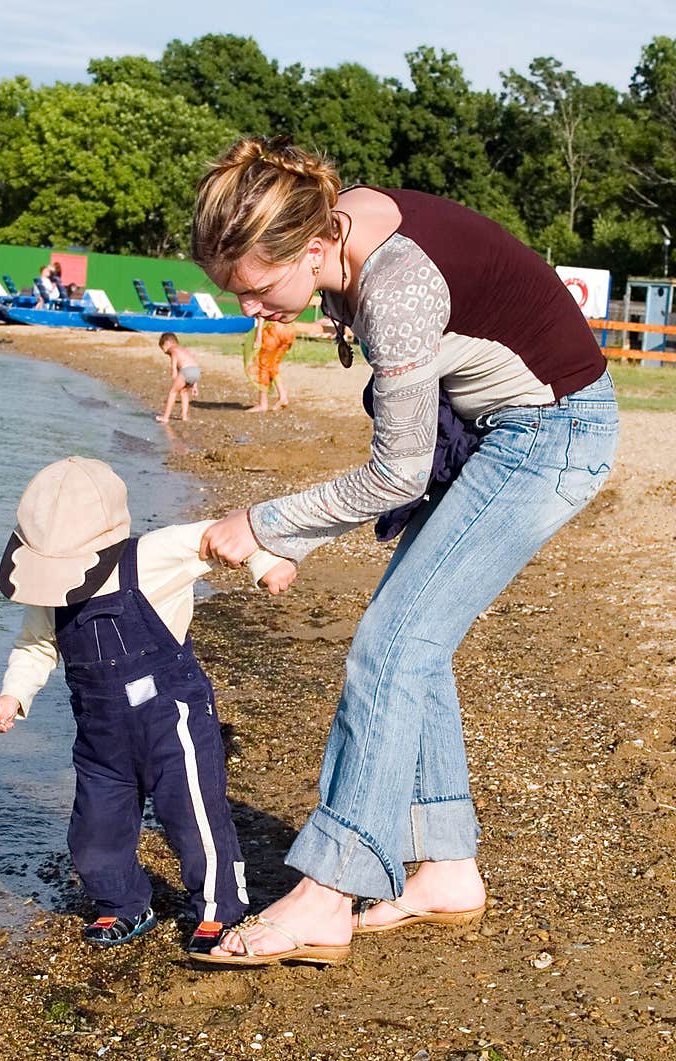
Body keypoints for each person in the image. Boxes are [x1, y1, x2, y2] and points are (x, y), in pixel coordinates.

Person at [189, 135, 619, 966]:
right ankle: (446, 866)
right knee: (413, 641)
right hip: (503, 430)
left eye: (256, 290)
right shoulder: (339, 230)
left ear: (316, 247)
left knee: (391, 647)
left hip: (553, 433)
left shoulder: (397, 286)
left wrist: (268, 524)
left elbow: (397, 472)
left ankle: (327, 892)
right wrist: (300, 541)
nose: (251, 311)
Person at [0, 456, 289, 954]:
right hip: (101, 735)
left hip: (173, 717)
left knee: (192, 815)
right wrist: (14, 694)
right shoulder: (46, 587)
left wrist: (265, 563)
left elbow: (220, 536)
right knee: (94, 829)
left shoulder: (151, 555)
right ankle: (122, 903)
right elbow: (37, 645)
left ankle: (219, 910)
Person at [244, 315, 297, 412]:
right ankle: (283, 397)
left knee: (263, 366)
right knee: (273, 364)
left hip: (274, 329)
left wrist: (258, 335)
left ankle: (262, 403)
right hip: (290, 329)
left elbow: (263, 313)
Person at [156, 332, 201, 423]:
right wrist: (195, 385)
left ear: (168, 343)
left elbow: (174, 363)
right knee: (184, 392)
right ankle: (184, 416)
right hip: (196, 371)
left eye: (163, 349)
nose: (165, 352)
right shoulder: (184, 350)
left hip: (186, 371)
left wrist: (174, 373)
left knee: (173, 392)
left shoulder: (173, 349)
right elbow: (192, 363)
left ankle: (165, 417)